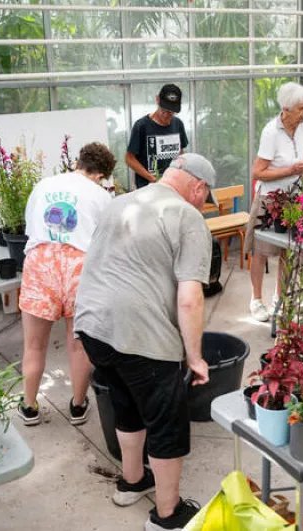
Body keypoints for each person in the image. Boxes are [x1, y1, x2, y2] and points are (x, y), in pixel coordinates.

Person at [74, 153, 217, 531]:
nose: (204, 203)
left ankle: (132, 482)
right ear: (198, 187)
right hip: (137, 333)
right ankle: (168, 516)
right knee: (167, 421)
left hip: (92, 326)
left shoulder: (121, 201)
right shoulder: (188, 217)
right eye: (206, 196)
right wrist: (195, 357)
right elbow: (190, 297)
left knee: (126, 401)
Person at [17, 142, 116, 426]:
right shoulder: (101, 197)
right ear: (101, 175)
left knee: (34, 345)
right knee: (78, 343)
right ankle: (77, 405)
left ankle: (30, 406)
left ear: (77, 163)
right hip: (80, 268)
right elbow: (106, 242)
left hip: (41, 263)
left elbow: (29, 229)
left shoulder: (43, 185)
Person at [246, 82, 303, 322]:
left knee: (289, 249)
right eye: (302, 108)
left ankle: (281, 298)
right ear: (286, 109)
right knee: (261, 251)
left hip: (294, 198)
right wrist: (289, 170)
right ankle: (256, 299)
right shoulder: (271, 132)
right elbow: (258, 172)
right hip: (269, 199)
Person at [126, 83, 189, 189]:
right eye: (164, 109)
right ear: (157, 100)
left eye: (171, 111)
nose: (166, 115)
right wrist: (152, 178)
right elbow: (129, 158)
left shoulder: (178, 125)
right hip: (148, 188)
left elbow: (181, 152)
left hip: (172, 186)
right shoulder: (142, 126)